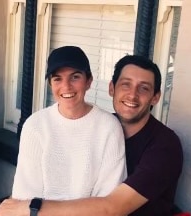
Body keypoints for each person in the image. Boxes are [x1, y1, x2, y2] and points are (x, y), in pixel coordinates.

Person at [0, 55, 183, 216]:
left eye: (144, 88)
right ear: (112, 88)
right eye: (126, 85)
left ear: (156, 97)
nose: (132, 95)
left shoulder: (165, 146)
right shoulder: (102, 126)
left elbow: (113, 208)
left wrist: (32, 208)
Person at [11, 46, 127, 202]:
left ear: (89, 81)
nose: (66, 86)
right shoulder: (35, 125)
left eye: (75, 77)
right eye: (57, 78)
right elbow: (25, 194)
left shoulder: (109, 127)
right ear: (51, 84)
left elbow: (108, 198)